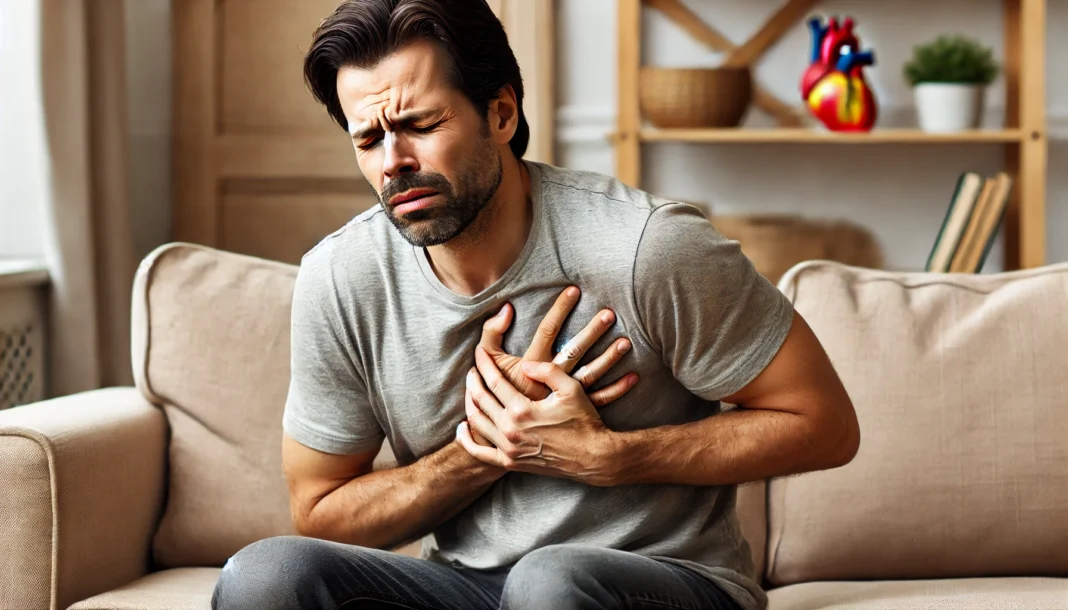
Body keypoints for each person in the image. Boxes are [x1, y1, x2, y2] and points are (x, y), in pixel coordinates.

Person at [211, 1, 860, 608]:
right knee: (266, 576)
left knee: (550, 580)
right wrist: (478, 452)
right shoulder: (342, 277)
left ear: (501, 114)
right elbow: (320, 510)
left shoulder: (646, 248)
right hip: (469, 585)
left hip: (666, 577)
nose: (393, 163)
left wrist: (611, 457)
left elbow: (826, 425)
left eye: (421, 125)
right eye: (368, 139)